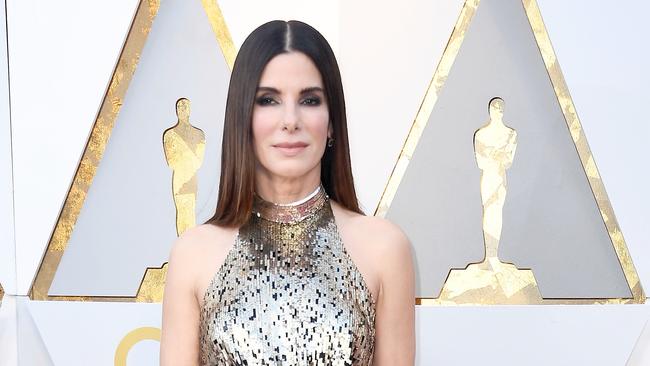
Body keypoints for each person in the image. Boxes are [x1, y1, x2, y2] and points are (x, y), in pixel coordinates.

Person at [160, 19, 415, 365]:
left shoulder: (385, 248)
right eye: (268, 100)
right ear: (243, 119)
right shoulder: (193, 253)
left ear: (332, 122)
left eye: (309, 100)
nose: (290, 120)